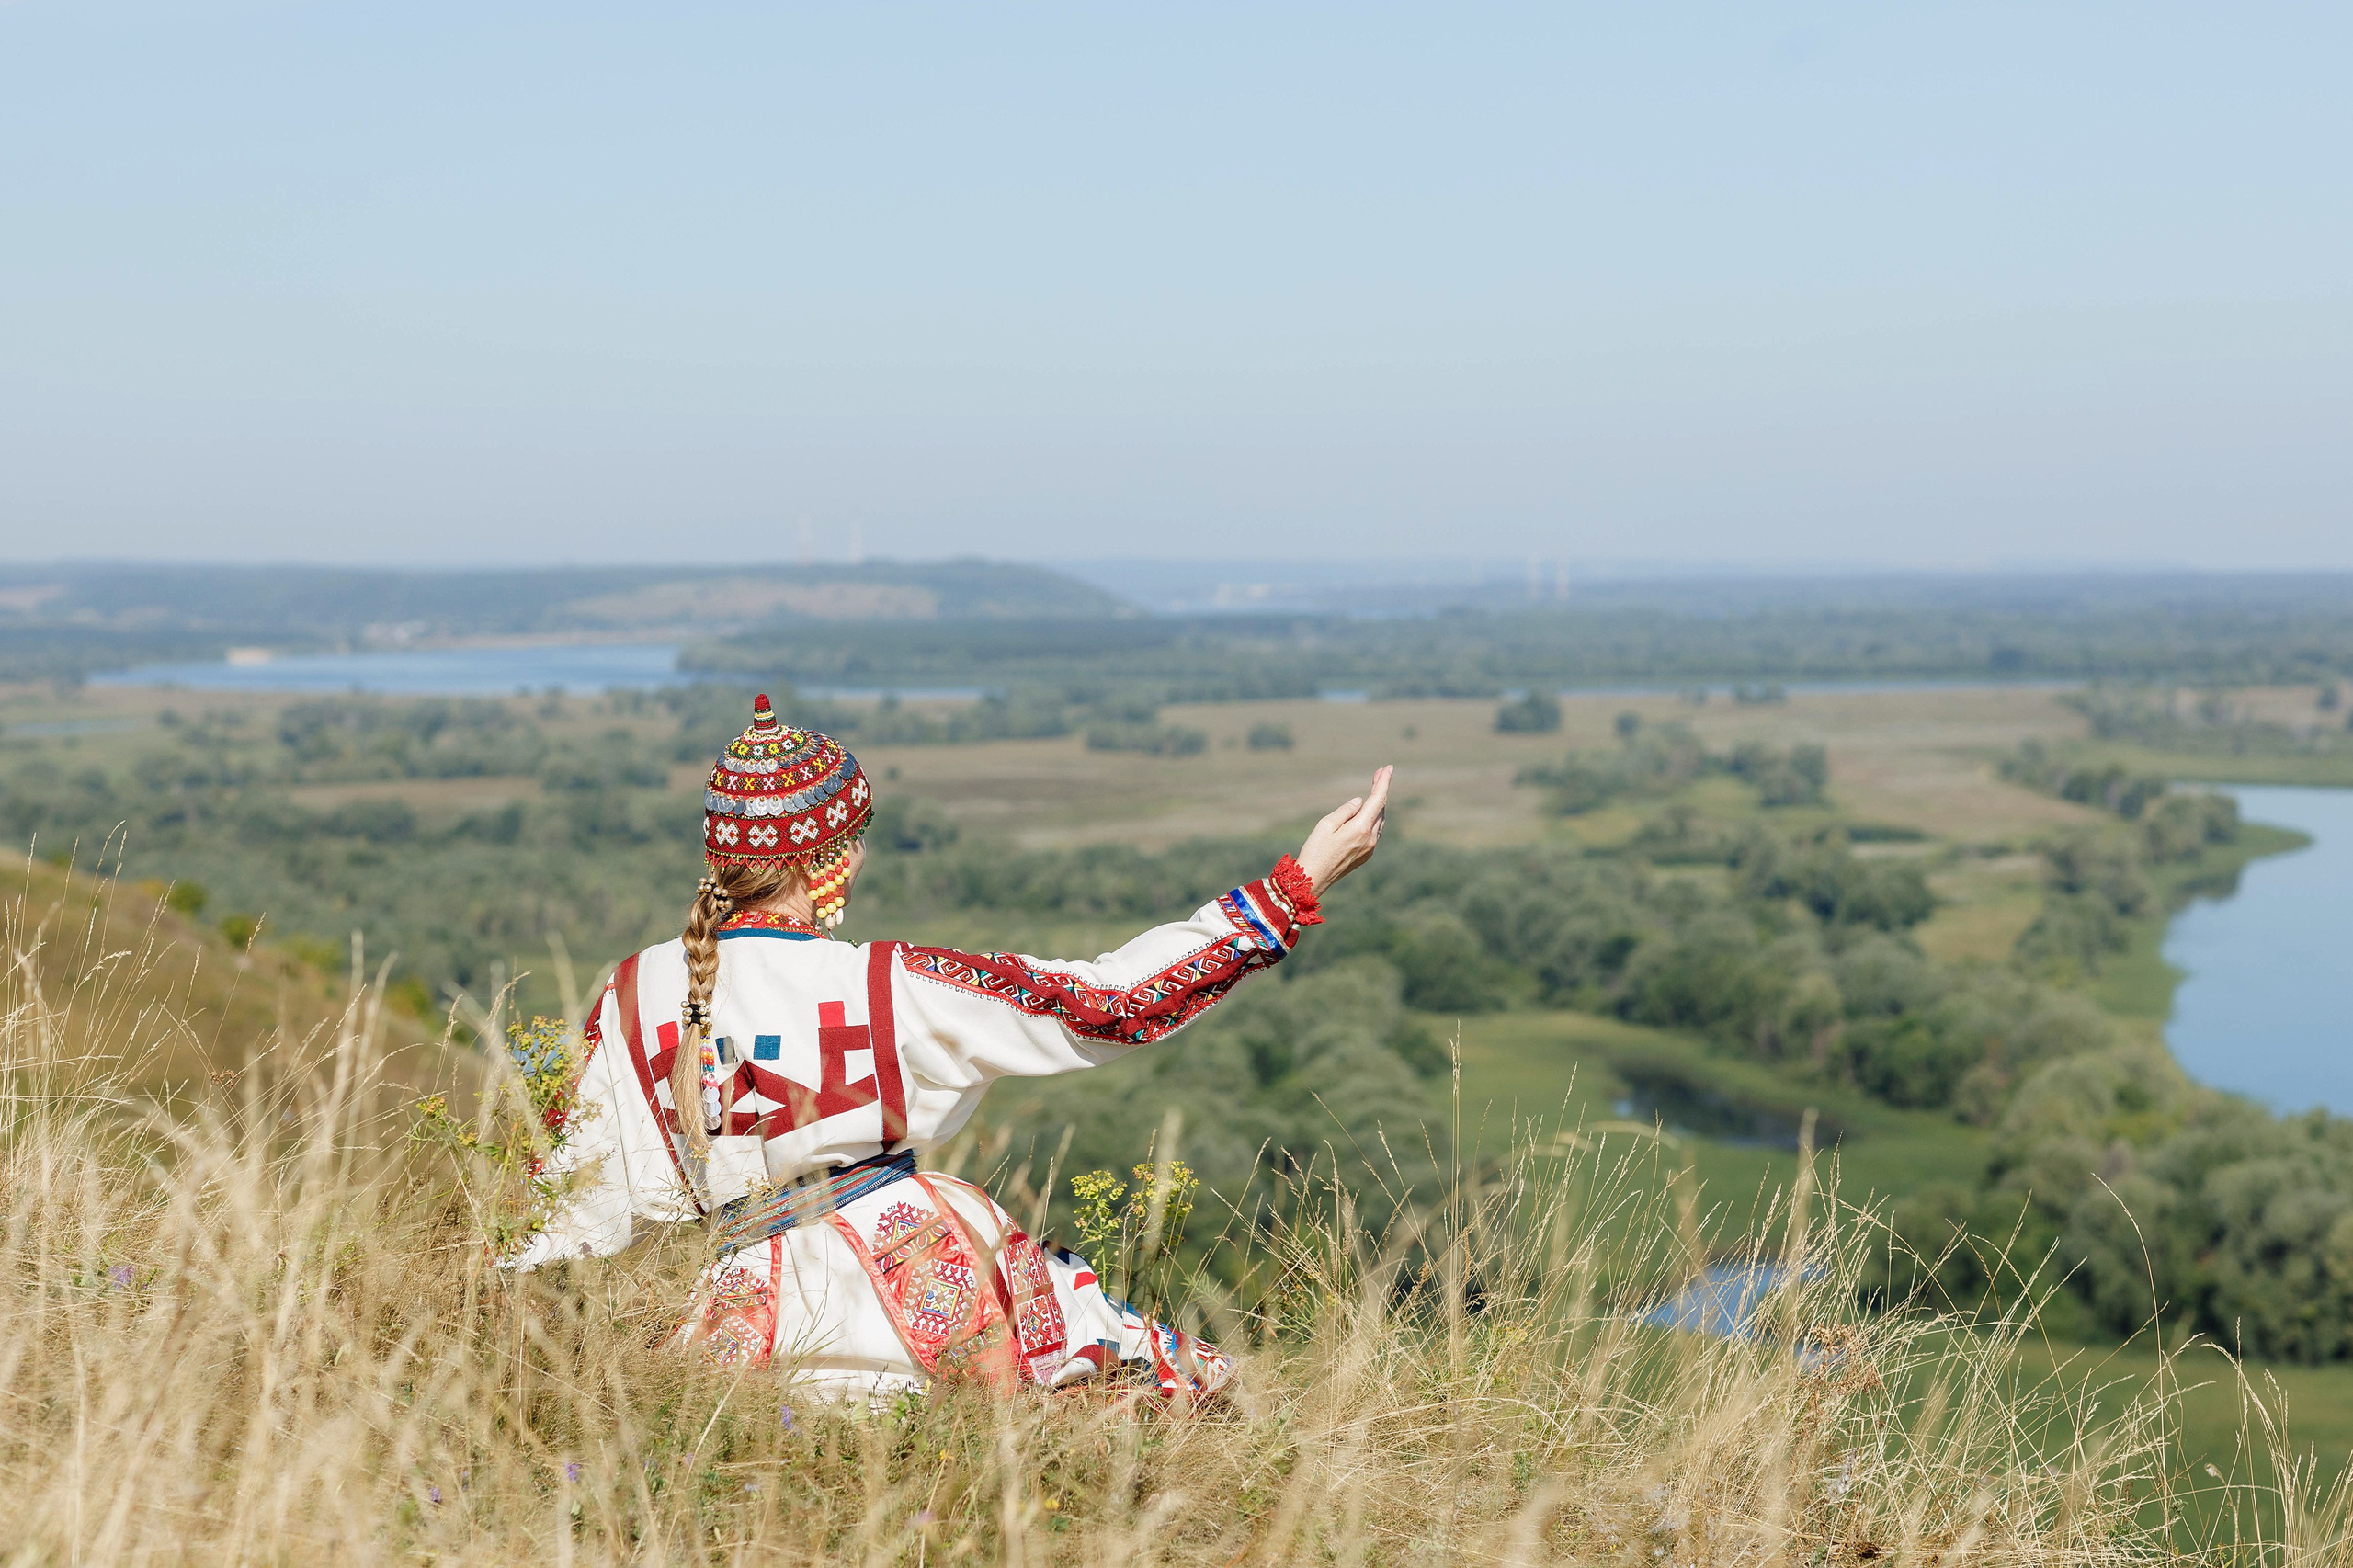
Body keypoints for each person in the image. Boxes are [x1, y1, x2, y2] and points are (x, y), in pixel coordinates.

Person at [507, 694, 1390, 1403]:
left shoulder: (630, 996)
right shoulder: (888, 984)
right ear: (833, 864)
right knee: (1185, 1389)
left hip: (740, 1327)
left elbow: (568, 1208)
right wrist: (1293, 888)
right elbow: (1108, 1004)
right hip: (914, 1287)